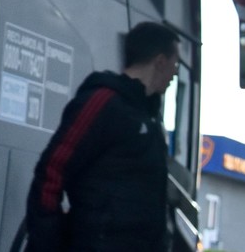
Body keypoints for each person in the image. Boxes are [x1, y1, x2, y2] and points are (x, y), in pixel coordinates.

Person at [24, 21, 181, 252]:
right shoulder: (103, 102)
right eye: (175, 63)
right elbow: (51, 173)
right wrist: (48, 243)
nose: (175, 73)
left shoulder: (149, 118)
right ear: (160, 62)